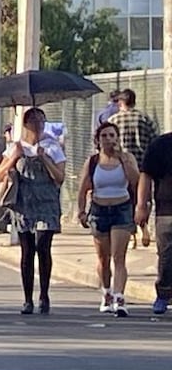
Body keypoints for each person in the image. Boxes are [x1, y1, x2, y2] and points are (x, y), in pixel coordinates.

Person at [0, 107, 66, 315]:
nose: (37, 125)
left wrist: (45, 159)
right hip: (23, 204)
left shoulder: (52, 147)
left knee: (43, 246)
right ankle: (27, 299)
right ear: (25, 124)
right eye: (33, 121)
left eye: (40, 121)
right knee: (27, 250)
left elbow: (60, 177)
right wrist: (14, 158)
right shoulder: (16, 147)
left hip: (46, 202)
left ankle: (44, 295)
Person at [76, 122, 140, 316]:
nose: (109, 139)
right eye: (105, 136)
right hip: (99, 209)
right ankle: (106, 292)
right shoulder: (94, 161)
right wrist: (81, 211)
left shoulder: (126, 158)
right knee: (103, 259)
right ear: (98, 140)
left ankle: (120, 298)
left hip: (121, 208)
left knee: (119, 257)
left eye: (112, 135)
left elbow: (136, 181)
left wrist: (124, 160)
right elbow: (83, 188)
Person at [107, 88, 157, 247]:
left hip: (122, 167)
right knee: (143, 200)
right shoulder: (145, 119)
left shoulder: (114, 120)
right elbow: (155, 141)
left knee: (126, 200)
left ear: (121, 102)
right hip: (144, 167)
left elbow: (108, 144)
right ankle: (144, 225)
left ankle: (131, 234)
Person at [136, 131, 172, 315]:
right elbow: (146, 175)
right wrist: (142, 205)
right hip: (167, 209)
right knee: (166, 256)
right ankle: (164, 294)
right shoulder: (161, 144)